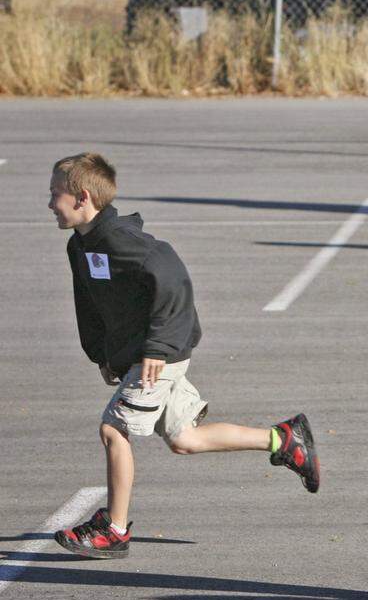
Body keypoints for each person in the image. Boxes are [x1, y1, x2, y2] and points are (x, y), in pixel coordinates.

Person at [51, 153, 319, 559]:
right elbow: (89, 305)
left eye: (55, 194)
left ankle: (114, 529)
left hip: (159, 353)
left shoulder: (122, 241)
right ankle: (283, 439)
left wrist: (157, 346)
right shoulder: (82, 245)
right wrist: (101, 355)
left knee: (112, 430)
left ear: (82, 197)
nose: (50, 202)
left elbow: (172, 277)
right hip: (143, 354)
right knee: (183, 439)